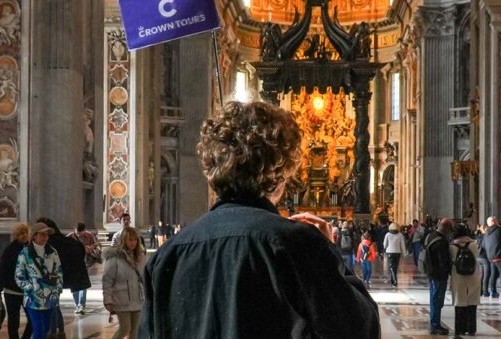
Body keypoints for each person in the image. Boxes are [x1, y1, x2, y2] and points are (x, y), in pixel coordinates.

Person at [139, 101, 379, 338]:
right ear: (281, 172)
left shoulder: (167, 255)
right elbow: (361, 330)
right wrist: (330, 253)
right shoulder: (298, 244)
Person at [15, 222, 63, 339]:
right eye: (42, 234)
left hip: (50, 298)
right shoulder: (25, 254)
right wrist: (31, 287)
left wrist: (58, 289)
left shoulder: (52, 252)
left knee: (46, 329)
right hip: (33, 299)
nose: (45, 237)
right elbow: (19, 276)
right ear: (34, 236)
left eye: (47, 235)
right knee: (38, 330)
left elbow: (59, 271)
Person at [103, 226, 145, 339]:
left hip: (137, 298)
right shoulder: (114, 258)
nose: (133, 243)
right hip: (121, 299)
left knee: (135, 331)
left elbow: (144, 277)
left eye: (135, 239)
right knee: (125, 328)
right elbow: (107, 280)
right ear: (124, 240)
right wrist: (107, 300)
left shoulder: (141, 257)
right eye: (130, 239)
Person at [0, 224, 32, 339]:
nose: (24, 236)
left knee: (32, 319)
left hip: (27, 291)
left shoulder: (31, 249)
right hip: (11, 291)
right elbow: (1, 270)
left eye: (25, 233)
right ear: (16, 236)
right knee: (13, 321)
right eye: (20, 234)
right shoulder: (9, 250)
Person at [450, 223, 481, 337]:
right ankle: (471, 328)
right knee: (472, 303)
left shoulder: (452, 246)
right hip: (473, 276)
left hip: (458, 277)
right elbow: (477, 257)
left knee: (459, 303)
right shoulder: (473, 244)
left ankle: (460, 329)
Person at [424, 218, 453, 335]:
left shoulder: (431, 235)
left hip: (431, 273)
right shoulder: (441, 241)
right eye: (449, 229)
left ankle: (434, 323)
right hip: (438, 275)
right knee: (437, 300)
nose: (450, 232)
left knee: (434, 299)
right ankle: (435, 325)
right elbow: (443, 262)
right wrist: (450, 270)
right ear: (445, 228)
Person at [67, 222, 100, 314]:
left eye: (80, 232)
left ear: (84, 230)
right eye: (77, 232)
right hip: (72, 264)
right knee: (74, 285)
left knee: (82, 284)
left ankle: (81, 305)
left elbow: (96, 245)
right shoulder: (70, 237)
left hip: (85, 263)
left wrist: (89, 247)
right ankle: (77, 304)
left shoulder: (89, 236)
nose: (78, 234)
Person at [482, 216, 501, 298]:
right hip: (499, 256)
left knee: (493, 274)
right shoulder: (500, 230)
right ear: (494, 222)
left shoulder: (486, 232)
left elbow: (483, 245)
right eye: (497, 220)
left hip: (490, 257)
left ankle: (493, 292)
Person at [384, 221, 407, 287]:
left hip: (390, 252)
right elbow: (403, 245)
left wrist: (385, 247)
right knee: (395, 267)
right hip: (397, 252)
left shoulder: (388, 234)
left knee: (392, 267)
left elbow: (384, 244)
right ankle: (393, 281)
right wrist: (404, 253)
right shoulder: (400, 235)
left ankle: (395, 280)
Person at [475, 223, 490, 297]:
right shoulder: (486, 236)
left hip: (478, 257)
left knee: (481, 275)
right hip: (484, 257)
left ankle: (479, 291)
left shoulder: (479, 236)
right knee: (486, 275)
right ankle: (485, 291)